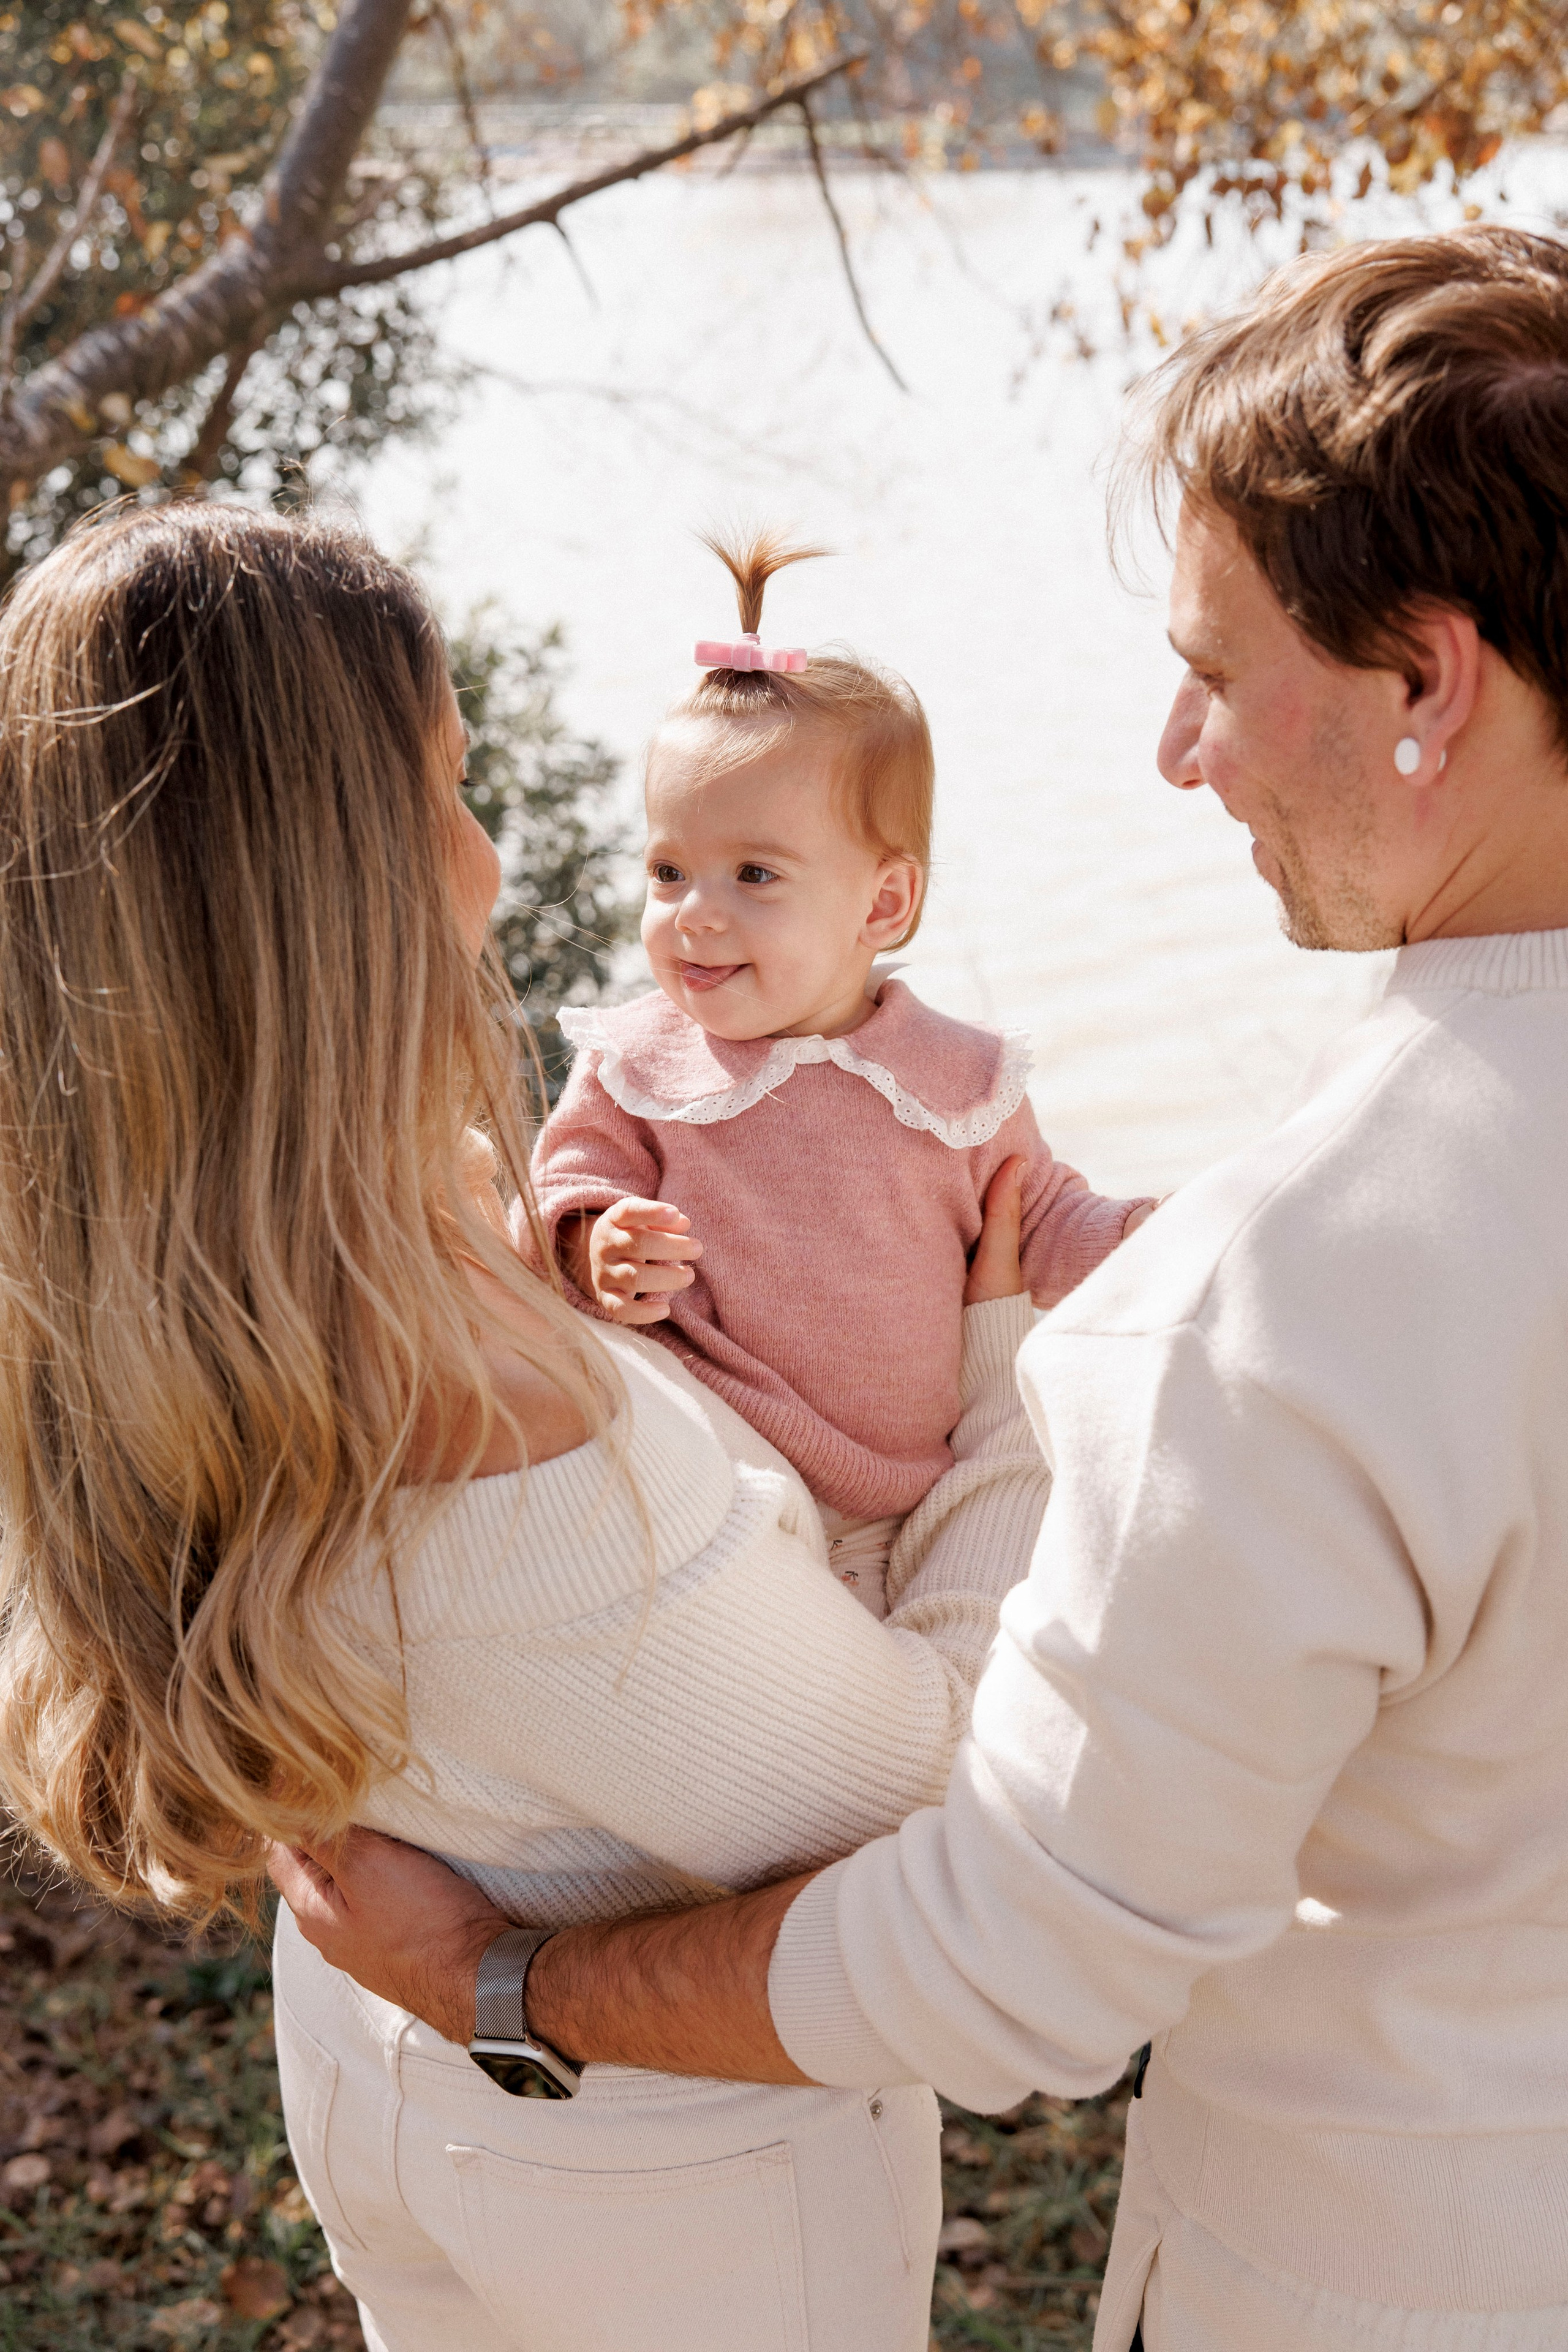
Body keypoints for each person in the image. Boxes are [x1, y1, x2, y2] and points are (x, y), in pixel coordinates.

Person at [273, 225, 1568, 2352]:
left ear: (1426, 683)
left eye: (1218, 674)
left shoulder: (1294, 1289)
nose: (1178, 753)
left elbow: (1016, 1963)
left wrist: (502, 1984)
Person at [0, 499, 1052, 2352]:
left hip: (362, 2057)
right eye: (454, 791)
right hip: (655, 2185)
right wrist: (1006, 1366)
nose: (490, 862)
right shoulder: (496, 1416)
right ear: (351, 876)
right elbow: (935, 1809)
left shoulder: (133, 1266)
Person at [537, 527, 1155, 1616]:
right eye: (668, 869)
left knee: (991, 1646)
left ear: (883, 904)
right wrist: (596, 1240)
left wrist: (1141, 1240)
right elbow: (568, 1176)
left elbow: (1041, 1215)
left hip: (917, 1497)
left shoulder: (957, 1080)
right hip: (714, 1469)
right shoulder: (642, 1060)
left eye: (753, 874)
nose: (695, 914)